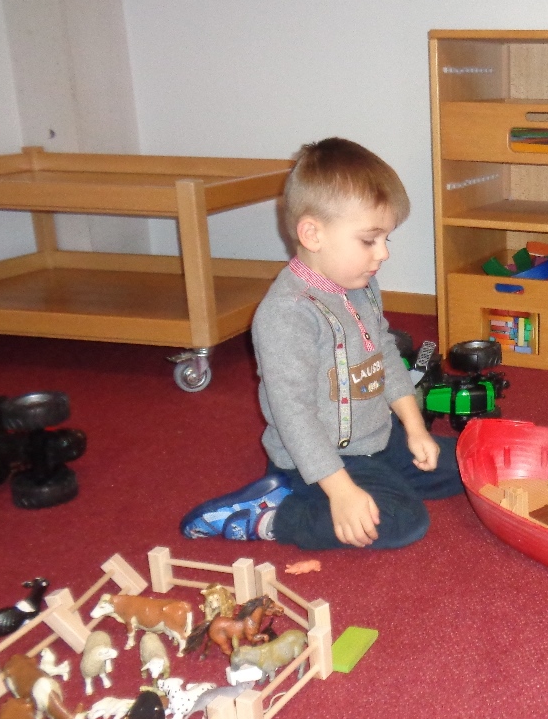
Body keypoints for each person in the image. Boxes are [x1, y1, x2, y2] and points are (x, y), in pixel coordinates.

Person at [180, 138, 462, 550]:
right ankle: (274, 515)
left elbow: (384, 353)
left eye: (386, 239)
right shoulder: (286, 314)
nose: (383, 253)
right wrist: (341, 490)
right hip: (319, 461)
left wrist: (415, 427)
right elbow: (293, 415)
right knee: (404, 522)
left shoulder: (362, 285)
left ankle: (380, 482)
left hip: (378, 441)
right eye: (369, 240)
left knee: (466, 465)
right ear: (312, 234)